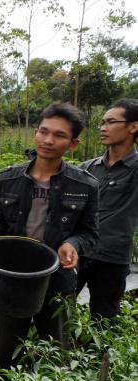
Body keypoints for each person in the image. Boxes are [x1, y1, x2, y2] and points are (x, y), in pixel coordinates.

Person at [0, 103, 99, 368]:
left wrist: (71, 243)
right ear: (35, 133)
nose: (48, 140)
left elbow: (90, 233)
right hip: (15, 277)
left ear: (73, 143)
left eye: (59, 135)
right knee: (7, 349)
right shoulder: (7, 178)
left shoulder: (84, 185)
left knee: (55, 348)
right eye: (44, 132)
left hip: (56, 278)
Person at [77, 98, 138, 320]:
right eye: (102, 123)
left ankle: (100, 355)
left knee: (104, 318)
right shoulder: (88, 168)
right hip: (78, 253)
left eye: (111, 122)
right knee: (57, 311)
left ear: (133, 126)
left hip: (111, 259)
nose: (103, 128)